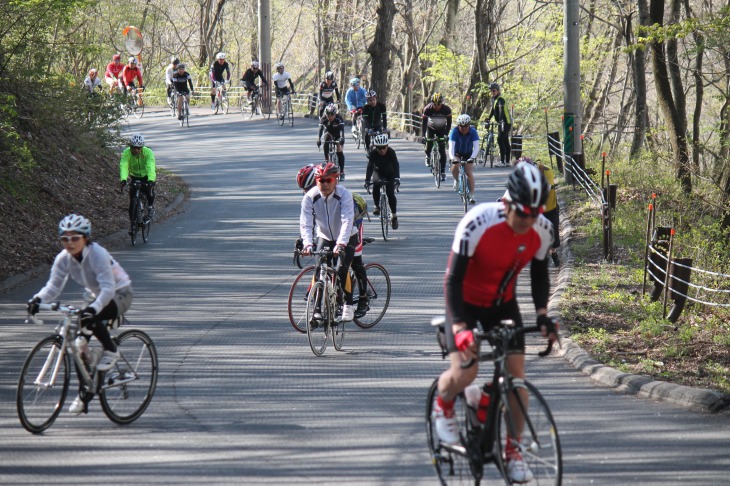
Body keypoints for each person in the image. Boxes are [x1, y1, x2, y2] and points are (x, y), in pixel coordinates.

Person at [432, 163, 559, 483]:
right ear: (507, 204)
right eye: (522, 214)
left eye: (535, 214)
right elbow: (452, 280)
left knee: (517, 382)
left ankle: (513, 450)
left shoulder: (542, 230)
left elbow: (540, 275)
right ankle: (443, 404)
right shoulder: (477, 221)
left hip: (502, 304)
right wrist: (460, 328)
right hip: (464, 303)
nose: (528, 222)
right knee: (467, 370)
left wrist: (543, 315)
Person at [27, 214, 133, 415]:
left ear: (86, 238)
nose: (70, 243)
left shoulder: (97, 254)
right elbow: (53, 286)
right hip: (97, 295)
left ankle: (111, 350)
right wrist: (37, 300)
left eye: (75, 238)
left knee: (90, 316)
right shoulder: (63, 259)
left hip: (120, 293)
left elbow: (109, 288)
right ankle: (85, 394)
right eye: (65, 238)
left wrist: (93, 309)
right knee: (78, 344)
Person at [296, 165, 370, 317]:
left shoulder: (344, 195)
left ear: (335, 180)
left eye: (328, 180)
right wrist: (307, 243)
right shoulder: (310, 196)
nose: (324, 184)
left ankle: (351, 304)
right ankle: (316, 311)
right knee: (319, 269)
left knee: (343, 268)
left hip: (348, 234)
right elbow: (306, 223)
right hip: (325, 236)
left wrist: (341, 244)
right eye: (321, 180)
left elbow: (347, 221)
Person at [119, 134, 156, 234]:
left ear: (142, 147)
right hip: (134, 176)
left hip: (146, 176)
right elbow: (124, 166)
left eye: (138, 148)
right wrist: (123, 179)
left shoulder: (148, 152)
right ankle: (133, 225)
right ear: (130, 147)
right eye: (134, 148)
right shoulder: (126, 153)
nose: (136, 150)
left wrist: (151, 180)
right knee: (132, 203)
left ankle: (150, 207)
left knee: (150, 191)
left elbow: (151, 166)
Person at [364, 134, 400, 230]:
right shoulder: (373, 153)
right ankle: (377, 206)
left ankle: (394, 215)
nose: (382, 150)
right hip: (378, 172)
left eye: (384, 148)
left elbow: (396, 165)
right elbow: (370, 167)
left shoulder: (391, 152)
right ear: (376, 147)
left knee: (390, 193)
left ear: (387, 146)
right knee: (376, 184)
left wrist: (397, 178)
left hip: (390, 174)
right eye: (379, 148)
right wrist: (367, 180)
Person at [448, 114, 480, 204]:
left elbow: (476, 147)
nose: (464, 128)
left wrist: (472, 158)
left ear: (469, 125)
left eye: (466, 126)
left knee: (469, 172)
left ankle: (472, 195)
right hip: (457, 153)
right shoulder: (454, 132)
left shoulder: (473, 132)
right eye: (461, 126)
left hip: (469, 154)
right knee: (455, 165)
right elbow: (451, 147)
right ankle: (457, 180)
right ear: (458, 126)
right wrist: (452, 158)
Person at [421, 92, 452, 180]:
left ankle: (442, 172)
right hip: (430, 128)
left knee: (442, 150)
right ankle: (427, 156)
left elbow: (449, 123)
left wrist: (446, 134)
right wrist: (423, 136)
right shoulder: (428, 109)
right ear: (432, 103)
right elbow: (424, 124)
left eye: (439, 104)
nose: (437, 106)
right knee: (429, 145)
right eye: (435, 104)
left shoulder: (447, 109)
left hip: (442, 129)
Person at [317, 103, 347, 179]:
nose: (329, 117)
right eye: (328, 115)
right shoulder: (323, 119)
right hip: (328, 133)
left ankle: (342, 171)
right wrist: (319, 139)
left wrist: (342, 138)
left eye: (331, 115)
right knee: (326, 140)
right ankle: (326, 159)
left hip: (337, 134)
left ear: (335, 114)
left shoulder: (338, 118)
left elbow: (342, 130)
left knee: (339, 148)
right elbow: (320, 130)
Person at [487, 82, 512, 167]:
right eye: (491, 91)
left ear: (498, 91)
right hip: (501, 123)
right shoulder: (494, 99)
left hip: (505, 122)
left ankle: (502, 161)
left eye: (493, 91)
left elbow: (501, 110)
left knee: (500, 139)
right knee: (505, 141)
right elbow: (493, 110)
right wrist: (488, 118)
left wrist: (501, 120)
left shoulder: (501, 99)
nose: (492, 92)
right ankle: (508, 161)